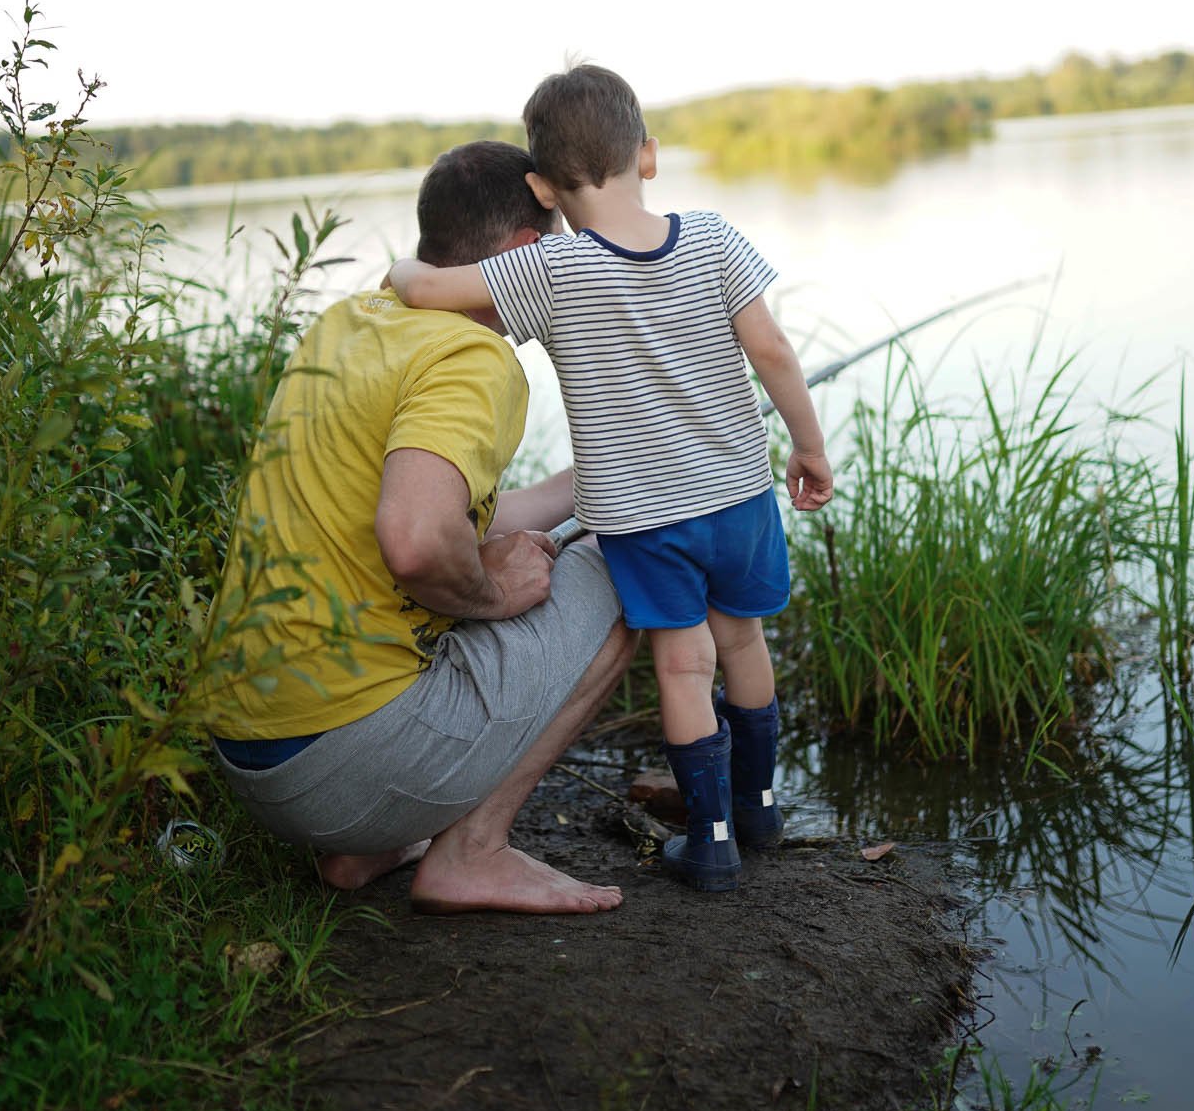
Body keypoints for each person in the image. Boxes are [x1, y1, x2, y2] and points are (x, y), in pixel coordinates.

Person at [388, 66, 834, 894]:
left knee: (681, 664)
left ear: (542, 188)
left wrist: (398, 275)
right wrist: (808, 447)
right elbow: (770, 349)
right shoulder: (711, 238)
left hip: (645, 521)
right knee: (744, 640)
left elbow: (432, 289)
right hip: (739, 495)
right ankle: (761, 808)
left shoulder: (550, 270)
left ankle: (711, 844)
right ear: (649, 155)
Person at [201, 140, 634, 915]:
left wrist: (599, 477)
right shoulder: (472, 356)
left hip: (254, 755)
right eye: (559, 258)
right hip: (343, 761)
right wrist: (492, 591)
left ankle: (367, 846)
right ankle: (471, 853)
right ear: (525, 255)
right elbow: (414, 537)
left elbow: (431, 509)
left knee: (576, 536)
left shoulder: (350, 320)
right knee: (628, 564)